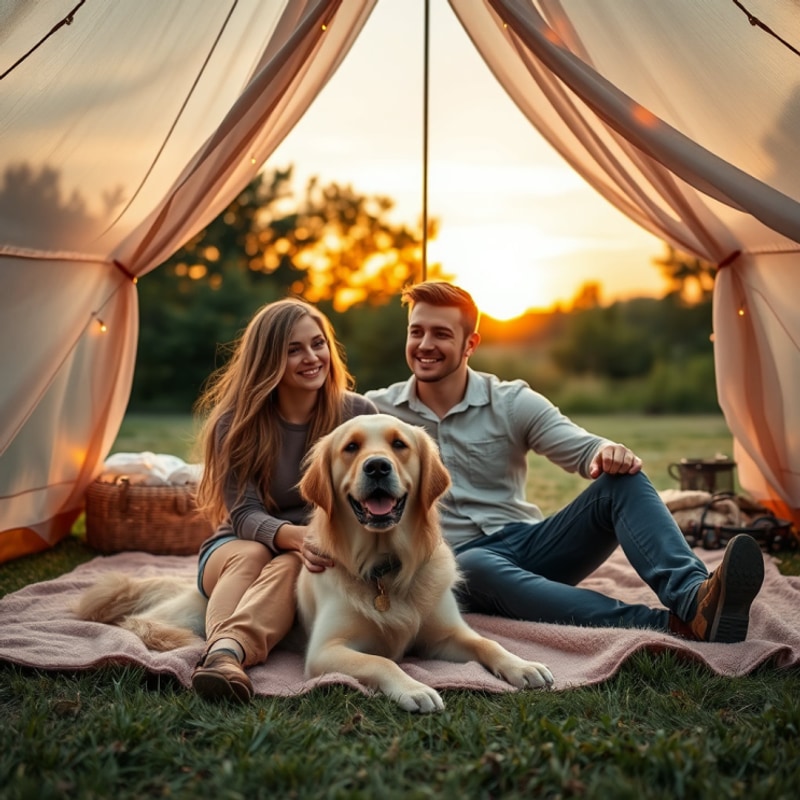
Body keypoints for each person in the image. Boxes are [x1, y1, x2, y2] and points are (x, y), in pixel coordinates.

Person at [365, 281, 765, 642]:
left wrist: (607, 452)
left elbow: (581, 446)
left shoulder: (511, 401)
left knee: (623, 480)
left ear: (470, 344)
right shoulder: (374, 413)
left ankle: (696, 599)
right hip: (455, 563)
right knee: (470, 563)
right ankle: (670, 626)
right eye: (416, 331)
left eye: (441, 333)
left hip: (531, 544)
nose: (424, 344)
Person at [191, 298, 376, 702]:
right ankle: (222, 657)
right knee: (255, 555)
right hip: (235, 546)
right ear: (268, 359)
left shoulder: (357, 414)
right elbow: (242, 514)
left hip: (319, 545)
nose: (311, 357)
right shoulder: (236, 422)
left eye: (318, 343)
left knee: (296, 561)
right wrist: (296, 536)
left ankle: (226, 652)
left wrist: (313, 542)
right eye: (293, 349)